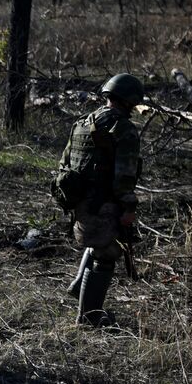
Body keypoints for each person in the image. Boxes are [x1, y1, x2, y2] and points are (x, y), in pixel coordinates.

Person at [53, 73, 143, 327]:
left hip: (81, 200)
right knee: (107, 253)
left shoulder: (83, 122)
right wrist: (128, 207)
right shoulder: (123, 129)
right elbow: (124, 175)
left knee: (99, 244)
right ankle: (88, 317)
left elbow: (65, 162)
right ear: (129, 101)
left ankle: (78, 286)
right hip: (104, 201)